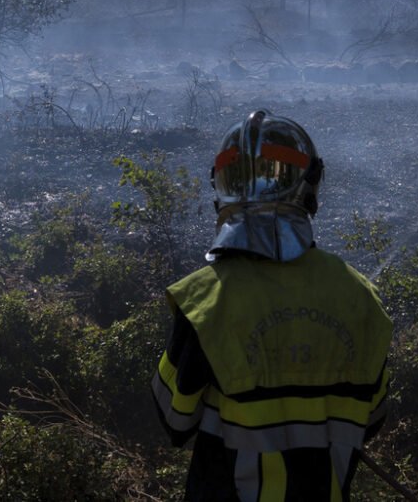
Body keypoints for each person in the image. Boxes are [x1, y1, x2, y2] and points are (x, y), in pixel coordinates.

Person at [152, 109, 392, 501]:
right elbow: (372, 418)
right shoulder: (360, 296)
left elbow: (175, 420)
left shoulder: (205, 301)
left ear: (221, 187)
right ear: (309, 184)